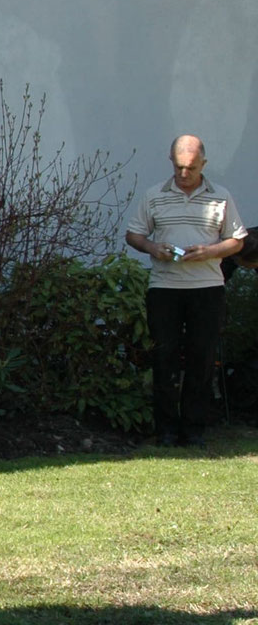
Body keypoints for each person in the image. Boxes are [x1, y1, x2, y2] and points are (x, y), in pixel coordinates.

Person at [124, 136, 246, 446]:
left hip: (206, 287)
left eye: (190, 168)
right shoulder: (155, 195)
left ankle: (194, 431)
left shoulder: (220, 196)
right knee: (163, 358)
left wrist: (209, 251)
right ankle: (165, 430)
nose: (183, 174)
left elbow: (237, 240)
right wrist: (153, 247)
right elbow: (134, 234)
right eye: (178, 167)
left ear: (203, 165)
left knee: (201, 359)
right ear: (171, 162)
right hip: (164, 287)